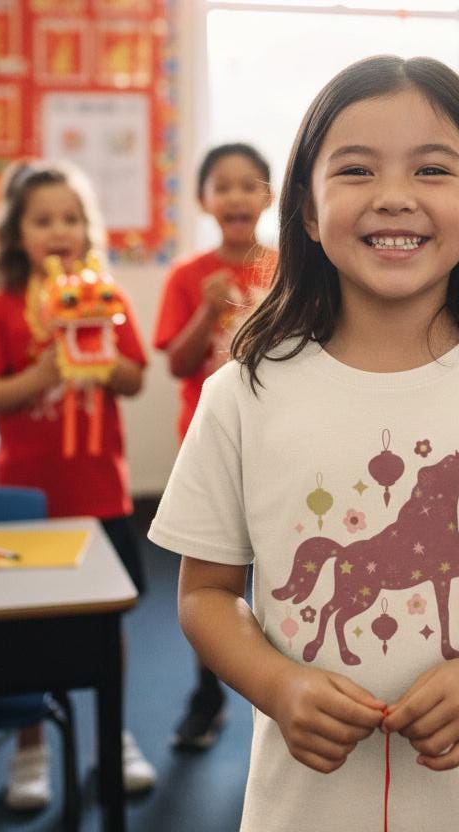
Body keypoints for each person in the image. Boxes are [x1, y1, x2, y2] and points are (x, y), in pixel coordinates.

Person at [148, 55, 459, 831]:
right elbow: (205, 593)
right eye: (356, 170)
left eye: (433, 169)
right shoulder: (242, 394)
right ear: (306, 210)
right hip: (301, 807)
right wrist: (277, 684)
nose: (395, 197)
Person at [0, 160, 157, 810]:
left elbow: (137, 378)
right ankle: (32, 743)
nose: (60, 231)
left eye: (72, 218)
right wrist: (43, 374)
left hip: (98, 489)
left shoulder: (105, 298)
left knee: (108, 620)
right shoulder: (0, 310)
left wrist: (99, 360)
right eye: (43, 219)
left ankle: (115, 734)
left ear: (89, 229)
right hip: (29, 495)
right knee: (26, 625)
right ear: (17, 234)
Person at [153, 142, 276, 749]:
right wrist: (205, 312)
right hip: (204, 444)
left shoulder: (289, 270)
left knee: (279, 564)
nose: (235, 195)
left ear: (268, 198)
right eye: (221, 185)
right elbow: (176, 364)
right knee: (210, 575)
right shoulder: (186, 275)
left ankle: (279, 688)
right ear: (204, 200)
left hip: (277, 442)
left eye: (248, 184)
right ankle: (206, 694)